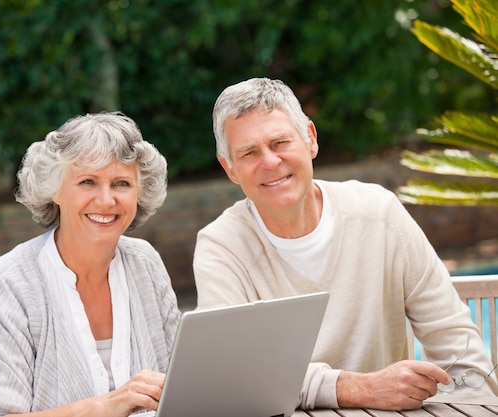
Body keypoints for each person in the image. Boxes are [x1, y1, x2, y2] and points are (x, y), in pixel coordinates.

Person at [193, 77, 498, 411]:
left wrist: (475, 405)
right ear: (230, 169)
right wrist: (357, 388)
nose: (269, 162)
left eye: (280, 142)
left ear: (310, 139)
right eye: (249, 152)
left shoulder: (380, 214)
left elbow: (460, 350)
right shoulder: (220, 247)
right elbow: (233, 376)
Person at [0, 112, 181, 416]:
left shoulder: (145, 263)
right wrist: (110, 405)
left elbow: (181, 382)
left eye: (121, 183)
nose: (105, 200)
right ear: (55, 189)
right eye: (87, 181)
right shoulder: (4, 286)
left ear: (139, 193)